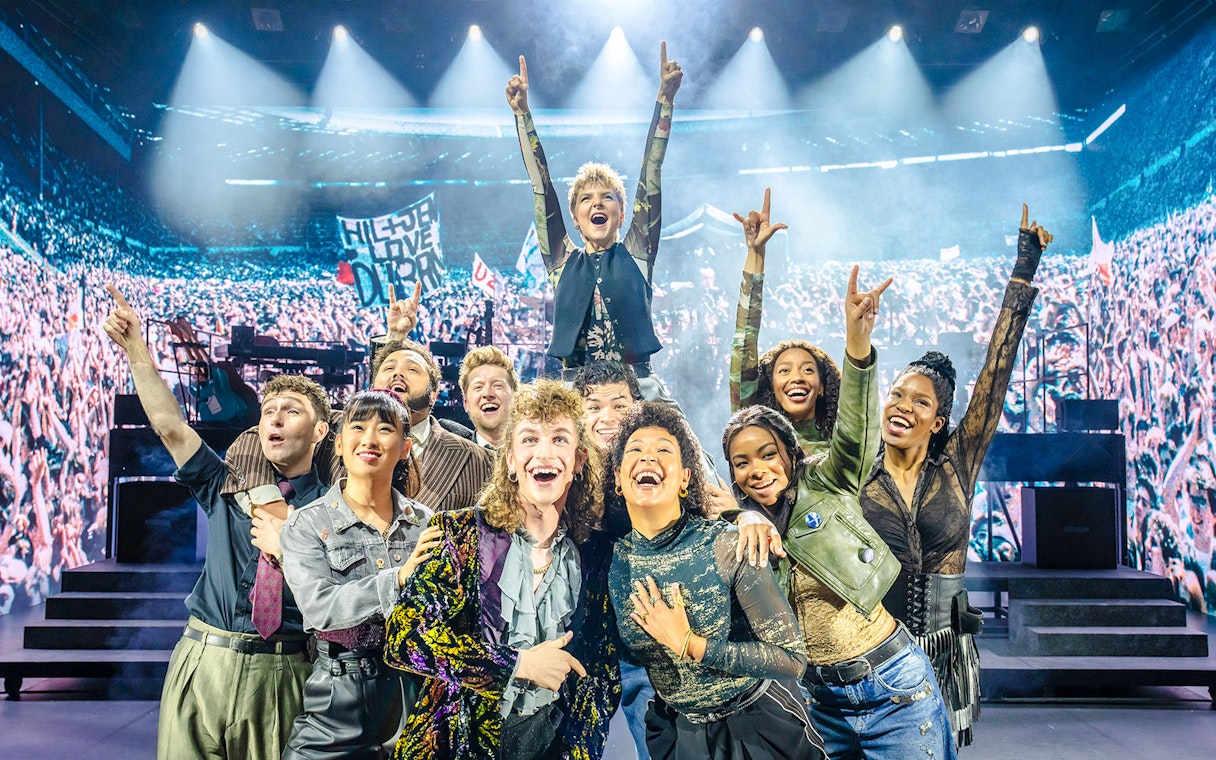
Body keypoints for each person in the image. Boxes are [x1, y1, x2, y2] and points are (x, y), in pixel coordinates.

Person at [724, 256, 957, 760]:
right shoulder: (737, 520)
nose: (757, 466)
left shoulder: (826, 473)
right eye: (742, 461)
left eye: (768, 453)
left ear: (790, 452)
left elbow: (854, 429)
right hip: (811, 700)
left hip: (890, 684)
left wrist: (857, 341)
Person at [102, 285, 328, 760]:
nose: (276, 419)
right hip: (203, 658)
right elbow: (171, 427)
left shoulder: (333, 512)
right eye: (269, 411)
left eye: (292, 411)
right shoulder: (226, 484)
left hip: (284, 672)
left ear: (321, 431)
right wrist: (137, 349)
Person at [858, 206, 1052, 748]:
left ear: (939, 421)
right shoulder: (858, 470)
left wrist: (1022, 271)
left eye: (919, 401)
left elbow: (997, 370)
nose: (901, 405)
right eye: (896, 393)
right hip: (872, 641)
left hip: (944, 648)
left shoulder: (957, 465)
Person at [384, 380, 620, 759]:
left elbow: (603, 674)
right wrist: (518, 664)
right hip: (458, 744)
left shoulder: (595, 555)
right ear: (510, 459)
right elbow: (405, 639)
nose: (544, 453)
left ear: (578, 461)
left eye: (559, 439)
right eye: (529, 439)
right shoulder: (458, 534)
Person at [604, 402, 825, 760]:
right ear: (617, 477)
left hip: (755, 731)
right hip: (679, 734)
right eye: (635, 450)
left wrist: (691, 644)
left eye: (663, 450)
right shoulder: (614, 561)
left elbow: (791, 659)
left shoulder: (726, 544)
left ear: (685, 479)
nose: (648, 458)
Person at [571, 360, 735, 760]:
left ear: (638, 406)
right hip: (598, 647)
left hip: (676, 639)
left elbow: (719, 512)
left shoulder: (665, 461)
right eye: (593, 407)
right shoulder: (566, 472)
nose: (606, 417)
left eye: (618, 405)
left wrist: (742, 515)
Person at [506, 44, 682, 402]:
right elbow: (541, 186)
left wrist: (664, 101)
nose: (597, 203)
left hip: (639, 389)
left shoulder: (637, 252)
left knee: (688, 454)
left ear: (622, 212)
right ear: (574, 217)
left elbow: (651, 172)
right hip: (575, 393)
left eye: (607, 197)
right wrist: (523, 114)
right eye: (586, 198)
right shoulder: (562, 261)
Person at [729, 188, 841, 455]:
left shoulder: (842, 447)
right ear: (770, 386)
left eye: (808, 370)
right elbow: (743, 346)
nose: (797, 378)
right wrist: (756, 254)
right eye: (784, 371)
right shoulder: (753, 430)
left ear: (823, 386)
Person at [371, 338, 495, 511]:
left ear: (433, 396)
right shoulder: (335, 438)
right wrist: (394, 333)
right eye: (389, 368)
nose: (397, 374)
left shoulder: (481, 461)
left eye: (412, 369)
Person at [459, 345, 519, 450]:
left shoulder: (536, 455)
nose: (487, 393)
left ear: (516, 399)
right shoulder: (450, 459)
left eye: (497, 385)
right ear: (466, 404)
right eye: (478, 387)